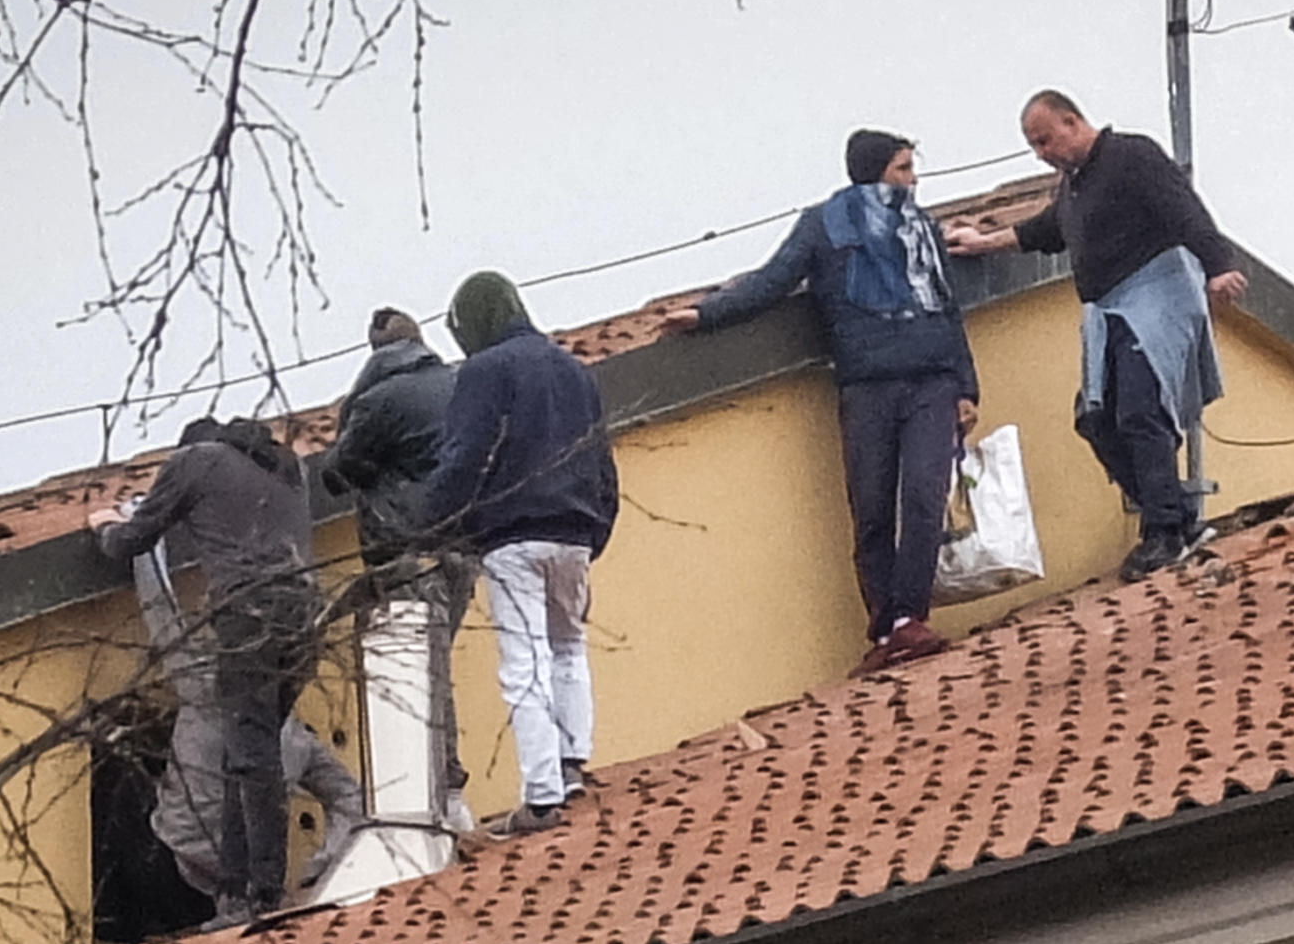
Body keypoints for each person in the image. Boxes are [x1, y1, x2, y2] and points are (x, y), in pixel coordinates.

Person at [661, 131, 980, 675]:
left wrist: (967, 386)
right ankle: (885, 626)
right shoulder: (824, 227)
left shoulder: (923, 229)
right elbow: (771, 282)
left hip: (932, 381)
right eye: (904, 169)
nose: (913, 180)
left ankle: (909, 619)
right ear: (876, 172)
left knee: (925, 498)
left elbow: (947, 309)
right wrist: (707, 314)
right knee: (873, 506)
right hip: (866, 386)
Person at [944, 91, 1247, 583]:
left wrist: (1218, 266)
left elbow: (1184, 210)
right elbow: (1044, 231)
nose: (1041, 152)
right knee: (1097, 418)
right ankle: (1176, 515)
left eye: (1044, 139)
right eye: (1032, 145)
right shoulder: (1073, 188)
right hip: (1109, 312)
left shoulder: (1131, 155)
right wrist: (983, 242)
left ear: (1071, 121)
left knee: (1140, 410)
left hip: (1155, 299)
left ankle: (1165, 530)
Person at [90, 416, 323, 926]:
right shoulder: (286, 467)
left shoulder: (194, 462)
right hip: (307, 619)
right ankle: (238, 893)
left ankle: (260, 893)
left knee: (251, 755)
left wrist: (106, 523)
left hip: (251, 618)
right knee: (249, 754)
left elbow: (131, 541)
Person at [420, 270, 620, 836]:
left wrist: (429, 525)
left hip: (512, 536)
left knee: (522, 664)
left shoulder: (484, 371)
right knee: (567, 646)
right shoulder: (575, 370)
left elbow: (464, 456)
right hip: (575, 532)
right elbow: (602, 460)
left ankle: (540, 798)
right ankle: (571, 762)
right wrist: (597, 527)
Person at [127, 548, 363, 905]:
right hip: (239, 890)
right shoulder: (296, 740)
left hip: (165, 872)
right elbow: (351, 799)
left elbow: (160, 611)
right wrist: (321, 869)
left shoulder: (206, 687)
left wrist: (143, 545)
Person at [322, 306, 472, 831]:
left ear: (374, 350)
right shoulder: (459, 384)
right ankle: (446, 796)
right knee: (437, 661)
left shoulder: (377, 401)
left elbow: (336, 472)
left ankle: (445, 796)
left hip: (403, 548)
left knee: (422, 670)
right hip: (462, 542)